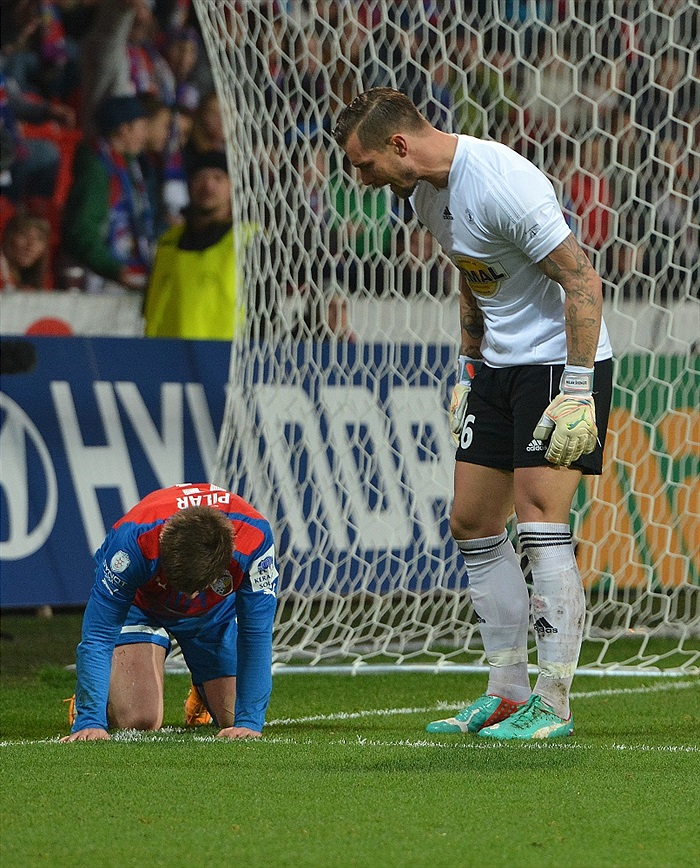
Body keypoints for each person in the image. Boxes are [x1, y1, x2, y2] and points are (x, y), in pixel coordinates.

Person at [333, 88, 613, 740]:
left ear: (398, 145)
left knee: (540, 520)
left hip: (559, 365)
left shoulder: (501, 182)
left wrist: (577, 391)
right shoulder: (421, 192)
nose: (362, 180)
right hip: (498, 366)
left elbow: (582, 280)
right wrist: (468, 361)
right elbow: (470, 266)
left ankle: (554, 701)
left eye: (365, 164)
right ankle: (508, 692)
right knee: (473, 522)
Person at [61, 482, 279, 742]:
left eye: (195, 589)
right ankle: (108, 689)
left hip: (212, 611)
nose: (188, 597)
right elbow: (99, 634)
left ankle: (203, 686)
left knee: (234, 718)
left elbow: (255, 634)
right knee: (138, 719)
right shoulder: (132, 545)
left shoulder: (254, 539)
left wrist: (249, 722)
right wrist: (90, 719)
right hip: (141, 605)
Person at [143, 150, 255, 340]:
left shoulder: (249, 240)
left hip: (224, 356)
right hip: (164, 355)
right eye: (200, 177)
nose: (208, 186)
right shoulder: (168, 242)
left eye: (218, 178)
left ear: (232, 186)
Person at [61, 93, 154, 294]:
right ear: (124, 129)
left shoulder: (130, 165)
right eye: (142, 127)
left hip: (125, 269)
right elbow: (83, 230)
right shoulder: (97, 168)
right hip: (101, 279)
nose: (146, 135)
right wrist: (113, 269)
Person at [0, 212, 52, 290]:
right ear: (9, 238)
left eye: (39, 239)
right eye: (24, 235)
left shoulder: (45, 279)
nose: (31, 245)